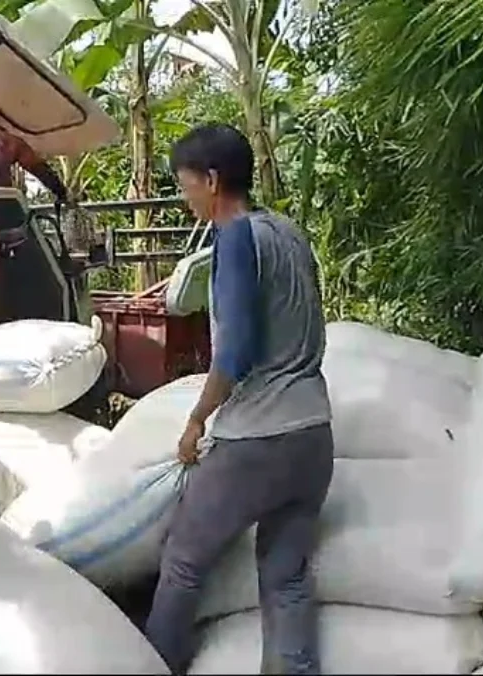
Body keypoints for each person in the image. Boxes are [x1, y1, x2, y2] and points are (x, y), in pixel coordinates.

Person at [143, 124, 334, 675]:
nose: (186, 199)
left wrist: (197, 420)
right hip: (312, 434)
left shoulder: (233, 237)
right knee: (286, 576)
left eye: (186, 187)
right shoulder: (289, 233)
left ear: (211, 179)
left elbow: (237, 351)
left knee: (183, 559)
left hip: (258, 437)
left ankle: (153, 664)